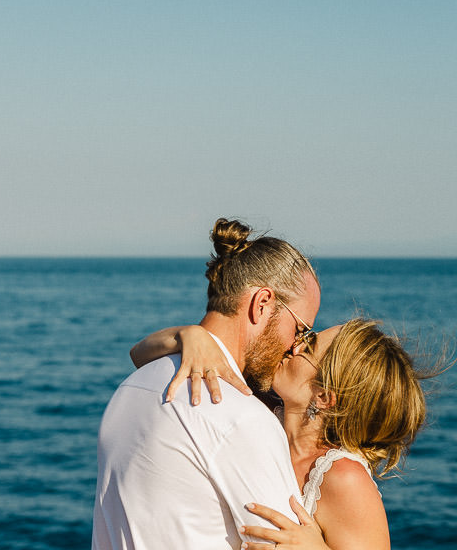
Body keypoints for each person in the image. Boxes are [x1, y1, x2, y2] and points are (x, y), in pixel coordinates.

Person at [91, 218, 321, 550]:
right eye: (301, 330)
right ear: (262, 303)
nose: (297, 347)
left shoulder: (132, 387)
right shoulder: (243, 418)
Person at [134, 317, 439, 550]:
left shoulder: (344, 478)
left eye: (309, 347)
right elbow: (140, 356)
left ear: (323, 396)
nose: (294, 346)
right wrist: (191, 336)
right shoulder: (256, 409)